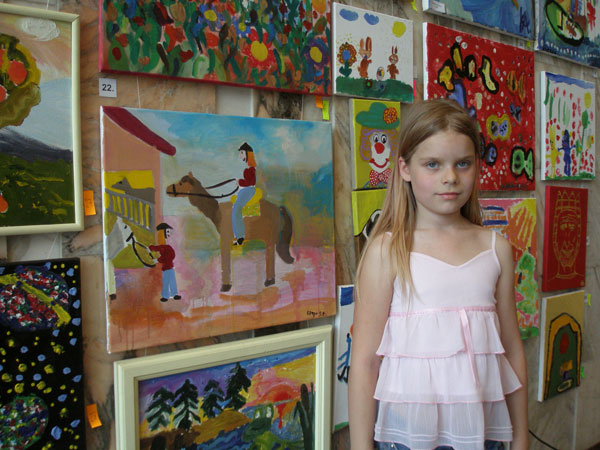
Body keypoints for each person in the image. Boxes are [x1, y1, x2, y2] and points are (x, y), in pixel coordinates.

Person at [348, 99, 528, 450]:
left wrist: (521, 439)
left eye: (463, 163)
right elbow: (366, 362)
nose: (450, 177)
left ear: (476, 166)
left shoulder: (496, 249)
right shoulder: (388, 250)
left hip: (483, 435)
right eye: (433, 164)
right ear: (405, 169)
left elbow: (512, 349)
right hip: (406, 438)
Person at [232, 142, 257, 246]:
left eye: (242, 153)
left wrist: (239, 182)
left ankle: (240, 236)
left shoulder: (251, 168)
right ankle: (239, 236)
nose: (240, 155)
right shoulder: (250, 167)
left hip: (248, 190)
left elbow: (250, 182)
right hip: (246, 190)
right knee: (236, 206)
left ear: (247, 154)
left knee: (236, 208)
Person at [149, 222, 181, 302]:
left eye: (169, 232)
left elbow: (167, 256)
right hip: (167, 268)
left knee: (170, 281)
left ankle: (173, 294)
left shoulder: (167, 247)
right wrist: (151, 248)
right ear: (162, 233)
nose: (169, 234)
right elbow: (162, 252)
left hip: (169, 267)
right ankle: (167, 295)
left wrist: (157, 259)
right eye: (167, 232)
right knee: (167, 281)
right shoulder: (164, 247)